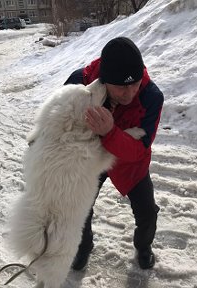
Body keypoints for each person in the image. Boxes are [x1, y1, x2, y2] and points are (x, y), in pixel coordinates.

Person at [64, 37, 164, 270]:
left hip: (129, 162)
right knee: (81, 207)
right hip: (90, 159)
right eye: (121, 86)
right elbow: (59, 117)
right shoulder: (81, 83)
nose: (129, 93)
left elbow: (139, 151)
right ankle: (82, 247)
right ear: (105, 80)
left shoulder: (151, 96)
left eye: (134, 84)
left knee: (147, 211)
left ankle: (144, 246)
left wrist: (109, 133)